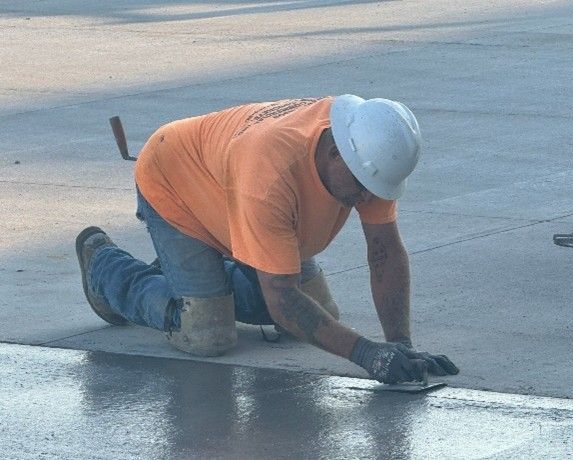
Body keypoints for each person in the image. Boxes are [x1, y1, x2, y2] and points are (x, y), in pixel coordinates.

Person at [76, 95, 459, 384]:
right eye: (361, 188)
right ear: (334, 154)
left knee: (320, 313)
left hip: (239, 194)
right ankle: (105, 269)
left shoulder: (367, 148)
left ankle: (193, 272)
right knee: (208, 333)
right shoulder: (271, 174)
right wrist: (368, 355)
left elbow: (384, 252)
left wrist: (400, 344)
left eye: (374, 189)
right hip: (177, 182)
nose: (365, 198)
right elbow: (284, 302)